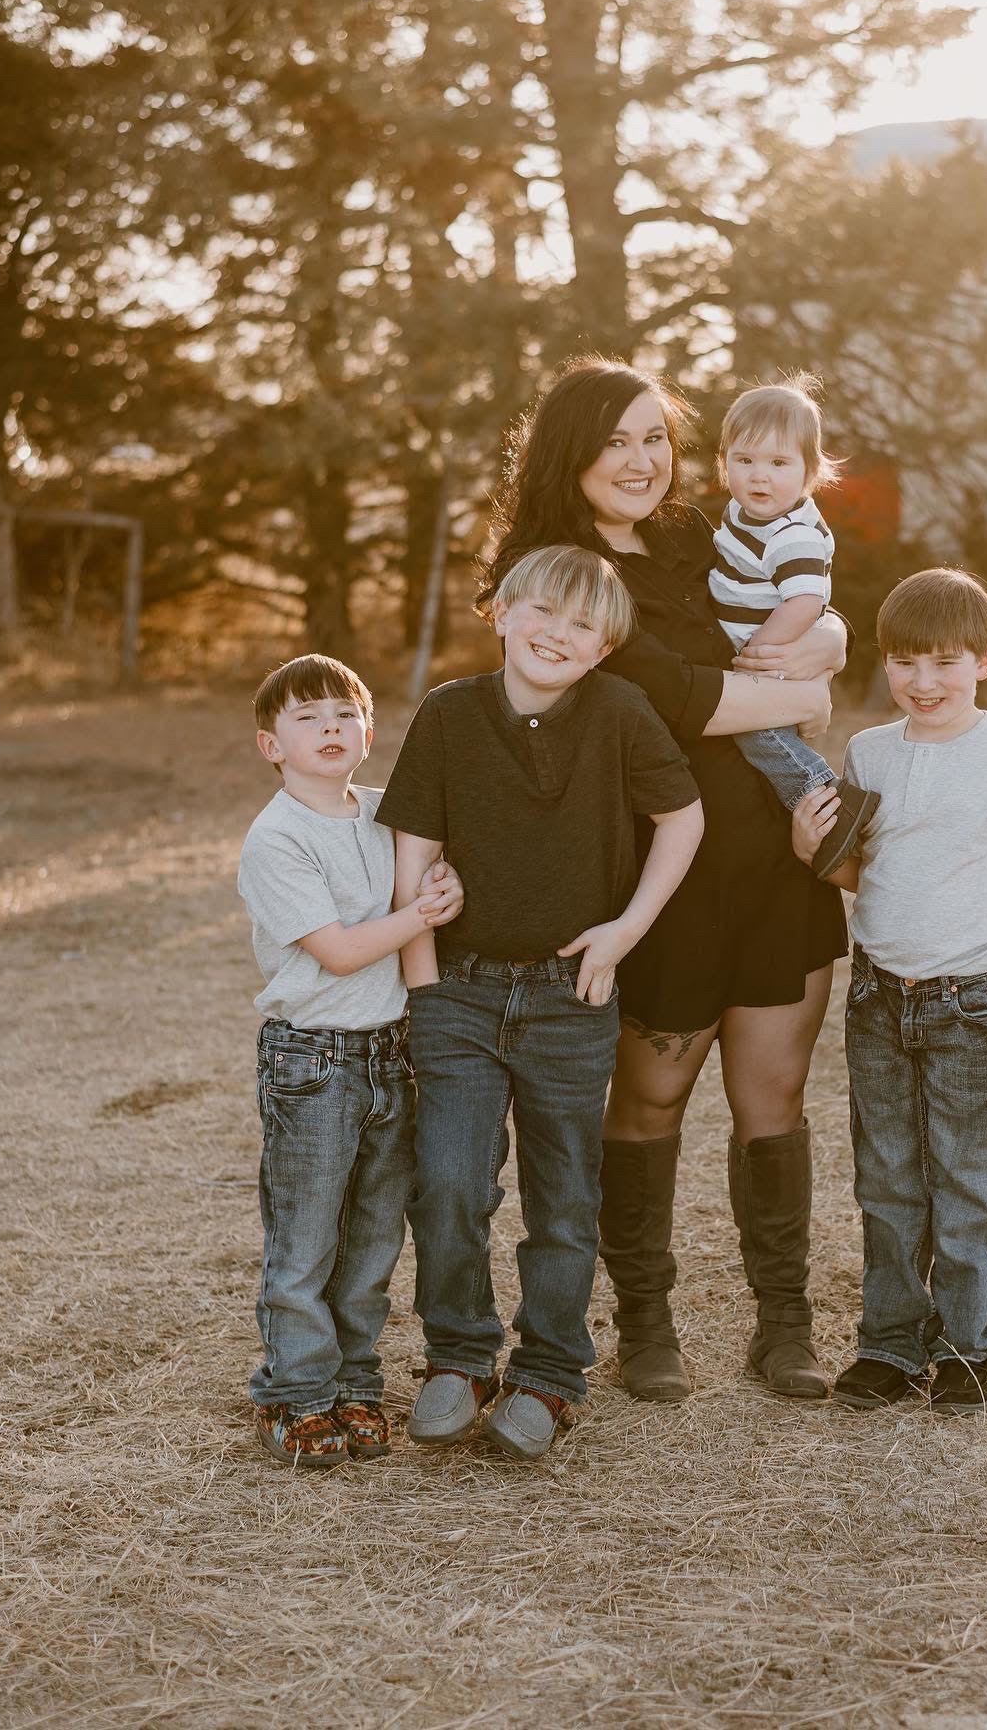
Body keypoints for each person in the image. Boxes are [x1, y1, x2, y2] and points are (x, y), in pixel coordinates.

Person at [478, 356, 851, 1404]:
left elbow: (804, 589)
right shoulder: (556, 574)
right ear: (572, 452)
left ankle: (784, 1325)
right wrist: (796, 695)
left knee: (773, 1094)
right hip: (657, 871)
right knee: (648, 1098)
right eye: (617, 441)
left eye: (657, 438)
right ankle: (645, 1321)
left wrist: (826, 634)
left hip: (775, 859)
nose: (643, 461)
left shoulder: (699, 533)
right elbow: (679, 698)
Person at [376, 546, 704, 1461]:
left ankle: (552, 1372)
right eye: (544, 614)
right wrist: (421, 979)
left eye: (582, 626)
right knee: (448, 1182)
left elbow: (684, 819)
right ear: (504, 613)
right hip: (461, 990)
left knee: (563, 1196)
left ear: (603, 649)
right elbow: (415, 843)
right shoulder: (449, 714)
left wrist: (625, 930)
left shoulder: (620, 713)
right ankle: (459, 1355)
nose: (558, 635)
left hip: (570, 994)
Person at [792, 569, 987, 1417]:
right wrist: (809, 846)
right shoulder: (871, 752)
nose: (924, 682)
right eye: (904, 661)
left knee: (968, 1180)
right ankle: (890, 1342)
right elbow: (862, 873)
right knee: (886, 1180)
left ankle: (969, 1347)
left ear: (985, 660)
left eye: (946, 662)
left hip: (973, 1004)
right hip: (880, 999)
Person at [237, 654, 463, 1467]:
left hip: (390, 1055)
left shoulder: (385, 813)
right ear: (272, 744)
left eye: (343, 713)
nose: (329, 728)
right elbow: (335, 952)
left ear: (369, 730)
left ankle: (355, 1384)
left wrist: (436, 895)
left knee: (372, 1237)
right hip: (314, 1061)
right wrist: (421, 914)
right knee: (305, 1241)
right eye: (306, 717)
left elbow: (430, 879)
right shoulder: (277, 838)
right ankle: (295, 1395)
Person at [711, 377, 879, 879]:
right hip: (764, 659)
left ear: (811, 471)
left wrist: (761, 651)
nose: (759, 477)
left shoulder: (792, 534)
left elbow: (806, 602)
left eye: (779, 464)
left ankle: (825, 798)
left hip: (773, 661)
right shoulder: (747, 516)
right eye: (744, 461)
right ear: (724, 462)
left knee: (759, 736)